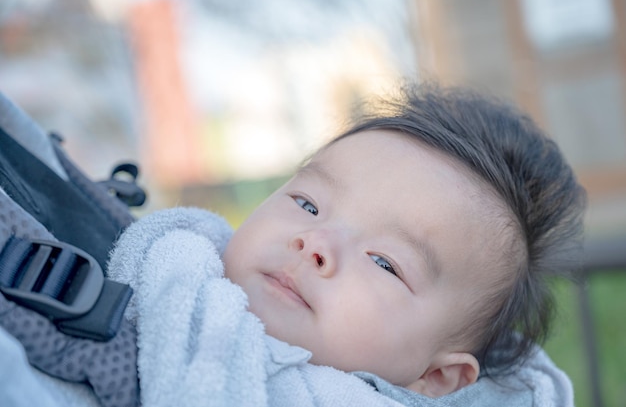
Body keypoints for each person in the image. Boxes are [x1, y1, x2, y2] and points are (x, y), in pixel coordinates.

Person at [0, 82, 584, 407]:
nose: (316, 242)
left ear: (434, 380)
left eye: (385, 262)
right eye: (307, 204)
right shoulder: (168, 278)